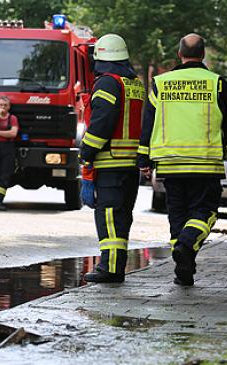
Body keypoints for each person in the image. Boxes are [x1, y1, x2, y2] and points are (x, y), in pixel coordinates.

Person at [138, 33, 227, 286]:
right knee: (206, 212)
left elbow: (148, 123)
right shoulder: (218, 84)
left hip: (170, 163)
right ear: (203, 55)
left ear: (179, 54)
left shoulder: (160, 83)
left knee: (178, 215)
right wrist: (224, 150)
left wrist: (143, 159)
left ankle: (184, 271)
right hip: (205, 162)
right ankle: (186, 245)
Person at [79, 34, 144, 283]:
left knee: (109, 216)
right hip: (130, 164)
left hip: (110, 162)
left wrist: (87, 151)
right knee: (122, 217)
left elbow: (102, 122)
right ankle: (116, 266)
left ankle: (110, 269)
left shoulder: (107, 83)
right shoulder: (135, 83)